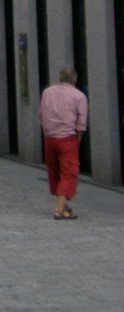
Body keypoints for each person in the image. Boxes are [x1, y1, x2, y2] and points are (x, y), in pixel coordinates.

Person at [39, 65, 88, 220]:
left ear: (60, 78)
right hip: (67, 138)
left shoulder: (47, 92)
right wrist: (78, 137)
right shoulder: (79, 96)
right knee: (69, 172)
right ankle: (59, 209)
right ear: (74, 80)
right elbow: (81, 121)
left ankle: (64, 206)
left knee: (54, 172)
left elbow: (41, 114)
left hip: (49, 138)